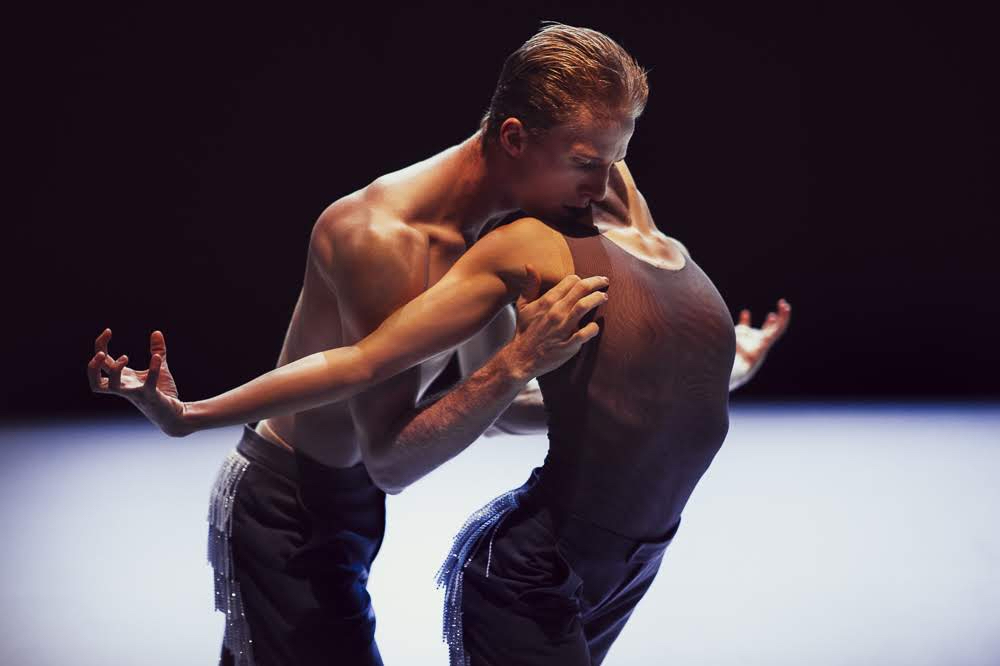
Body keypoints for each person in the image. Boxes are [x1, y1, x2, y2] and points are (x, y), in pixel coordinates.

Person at [89, 23, 790, 666]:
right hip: (289, 510)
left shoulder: (525, 221)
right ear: (514, 138)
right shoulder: (386, 240)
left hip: (352, 505)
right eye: (586, 163)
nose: (606, 188)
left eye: (617, 160)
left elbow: (502, 403)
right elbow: (388, 442)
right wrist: (191, 415)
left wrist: (686, 381)